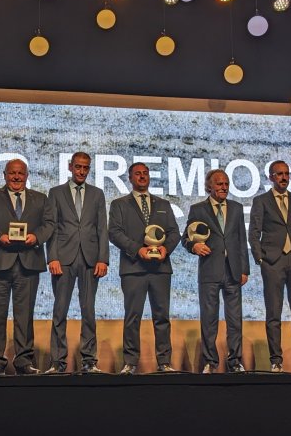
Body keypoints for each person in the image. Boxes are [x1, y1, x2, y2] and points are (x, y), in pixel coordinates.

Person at [0, 159, 55, 375]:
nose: (16, 177)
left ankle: (24, 362)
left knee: (25, 316)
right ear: (4, 175)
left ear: (27, 175)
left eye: (20, 173)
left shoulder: (41, 199)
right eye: (12, 173)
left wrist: (36, 237)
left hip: (28, 264)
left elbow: (49, 224)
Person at [107, 161, 181, 374]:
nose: (142, 176)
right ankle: (130, 362)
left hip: (160, 269)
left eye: (145, 173)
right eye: (137, 173)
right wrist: (137, 249)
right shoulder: (119, 204)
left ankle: (164, 362)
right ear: (130, 178)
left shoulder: (163, 204)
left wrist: (166, 248)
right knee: (133, 316)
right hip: (134, 268)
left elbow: (174, 233)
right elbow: (115, 232)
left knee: (162, 317)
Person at [247, 160, 291, 373]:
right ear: (271, 177)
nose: (284, 177)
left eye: (286, 173)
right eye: (279, 174)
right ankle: (276, 360)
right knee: (273, 314)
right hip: (273, 261)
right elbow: (254, 232)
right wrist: (260, 258)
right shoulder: (261, 201)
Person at [44, 152, 109, 374]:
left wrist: (103, 259)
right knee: (59, 311)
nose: (81, 171)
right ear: (70, 167)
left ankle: (89, 361)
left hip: (90, 259)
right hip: (63, 259)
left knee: (88, 310)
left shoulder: (97, 194)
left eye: (86, 168)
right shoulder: (55, 193)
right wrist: (52, 257)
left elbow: (102, 228)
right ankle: (58, 362)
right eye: (78, 167)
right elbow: (51, 227)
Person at [183, 169, 249, 373]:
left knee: (235, 320)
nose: (224, 187)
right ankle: (211, 362)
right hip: (210, 271)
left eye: (226, 183)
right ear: (209, 186)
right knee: (209, 319)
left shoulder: (237, 208)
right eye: (219, 184)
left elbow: (241, 240)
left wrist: (245, 269)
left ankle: (235, 361)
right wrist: (194, 246)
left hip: (233, 272)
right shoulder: (198, 209)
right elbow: (185, 237)